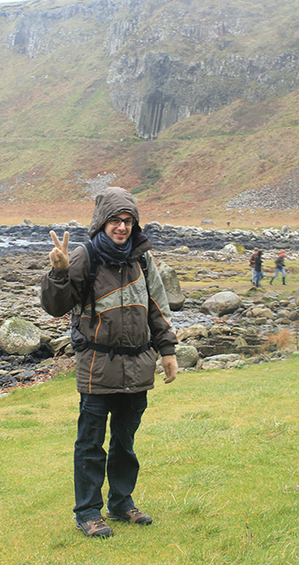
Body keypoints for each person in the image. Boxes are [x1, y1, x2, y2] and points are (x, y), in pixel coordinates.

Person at [40, 187, 179, 538]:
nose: (122, 227)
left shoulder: (142, 259)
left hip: (138, 366)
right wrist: (59, 273)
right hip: (97, 368)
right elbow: (56, 307)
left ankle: (120, 502)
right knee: (90, 443)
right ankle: (87, 512)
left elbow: (157, 308)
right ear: (102, 222)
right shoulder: (84, 257)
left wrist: (167, 351)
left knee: (124, 442)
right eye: (115, 220)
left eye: (128, 220)